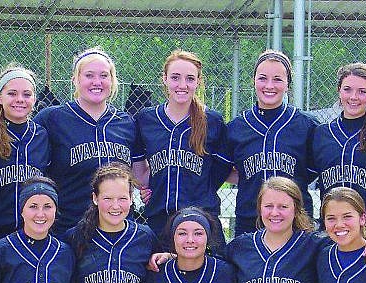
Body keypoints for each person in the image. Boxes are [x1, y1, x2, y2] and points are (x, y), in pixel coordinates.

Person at [34, 47, 143, 237]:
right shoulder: (52, 118)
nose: (97, 82)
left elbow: (141, 175)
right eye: (89, 75)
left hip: (118, 231)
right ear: (75, 80)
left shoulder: (127, 123)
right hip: (69, 229)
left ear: (112, 80)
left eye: (104, 75)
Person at [134, 50, 228, 247]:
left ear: (198, 81)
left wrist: (202, 190)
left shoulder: (212, 121)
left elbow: (219, 172)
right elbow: (139, 171)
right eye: (175, 77)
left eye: (190, 78)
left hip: (202, 221)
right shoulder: (146, 119)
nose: (182, 85)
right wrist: (150, 187)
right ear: (164, 79)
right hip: (160, 221)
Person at [219, 49, 318, 237]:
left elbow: (314, 170)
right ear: (254, 81)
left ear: (288, 84)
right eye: (263, 78)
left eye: (278, 79)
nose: (269, 86)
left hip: (296, 221)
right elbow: (221, 171)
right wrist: (249, 177)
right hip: (250, 221)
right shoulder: (236, 127)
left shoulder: (306, 125)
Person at [312, 62, 366, 252]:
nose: (353, 97)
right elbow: (304, 175)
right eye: (347, 89)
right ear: (339, 91)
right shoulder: (321, 134)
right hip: (333, 232)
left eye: (362, 91)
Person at [0, 64, 50, 268]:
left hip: (31, 236)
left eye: (27, 94)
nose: (20, 99)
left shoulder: (41, 135)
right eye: (12, 93)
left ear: (35, 99)